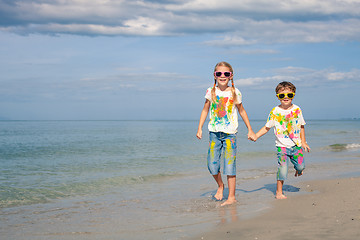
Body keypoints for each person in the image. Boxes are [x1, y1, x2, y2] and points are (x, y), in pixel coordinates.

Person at [196, 61, 256, 206]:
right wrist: (199, 128)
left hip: (230, 135)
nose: (222, 76)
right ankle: (220, 185)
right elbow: (205, 109)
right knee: (212, 165)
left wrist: (250, 129)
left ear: (231, 76)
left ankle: (231, 197)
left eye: (226, 74)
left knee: (230, 166)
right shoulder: (211, 91)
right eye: (219, 73)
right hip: (214, 134)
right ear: (215, 76)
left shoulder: (235, 92)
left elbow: (242, 110)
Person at [254, 81, 310, 199]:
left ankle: (298, 169)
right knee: (282, 170)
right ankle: (279, 192)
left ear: (293, 95)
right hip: (282, 146)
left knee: (301, 167)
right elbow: (266, 127)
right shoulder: (275, 112)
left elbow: (301, 126)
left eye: (289, 95)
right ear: (277, 97)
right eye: (282, 95)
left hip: (296, 146)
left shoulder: (297, 110)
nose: (286, 98)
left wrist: (303, 141)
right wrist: (256, 135)